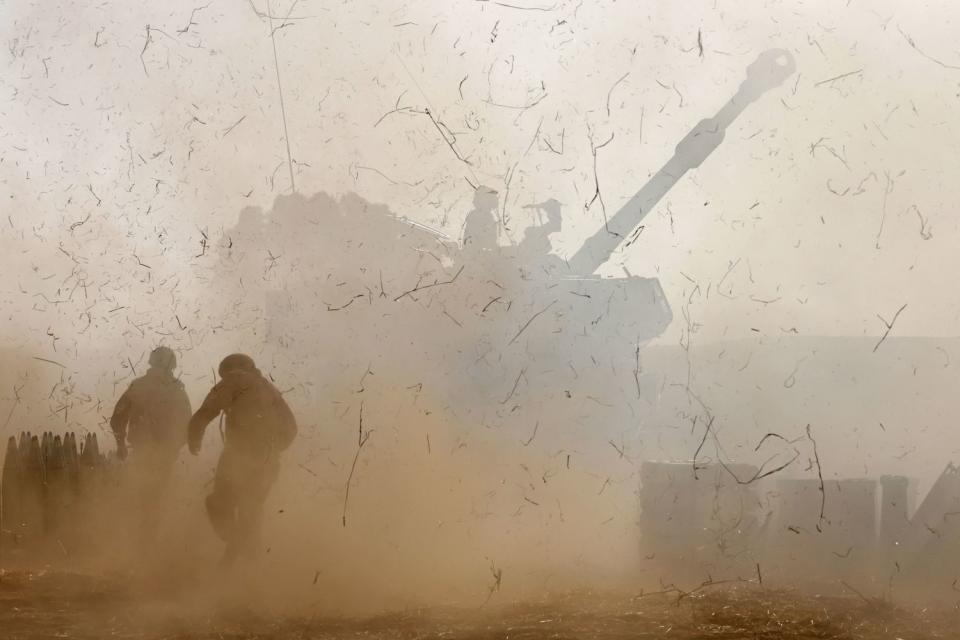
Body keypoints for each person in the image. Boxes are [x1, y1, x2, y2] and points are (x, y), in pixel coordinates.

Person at [187, 353, 297, 567]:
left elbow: (207, 411)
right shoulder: (269, 388)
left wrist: (194, 437)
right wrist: (270, 450)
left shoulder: (235, 378)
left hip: (237, 457)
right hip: (268, 462)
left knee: (218, 504)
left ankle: (235, 552)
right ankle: (247, 572)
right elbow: (291, 429)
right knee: (251, 512)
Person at [110, 346, 192, 546]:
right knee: (155, 497)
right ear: (172, 365)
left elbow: (117, 419)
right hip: (162, 453)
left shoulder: (139, 386)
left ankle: (143, 541)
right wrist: (175, 447)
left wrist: (120, 444)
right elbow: (187, 424)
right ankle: (148, 541)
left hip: (145, 451)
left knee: (144, 496)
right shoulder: (177, 390)